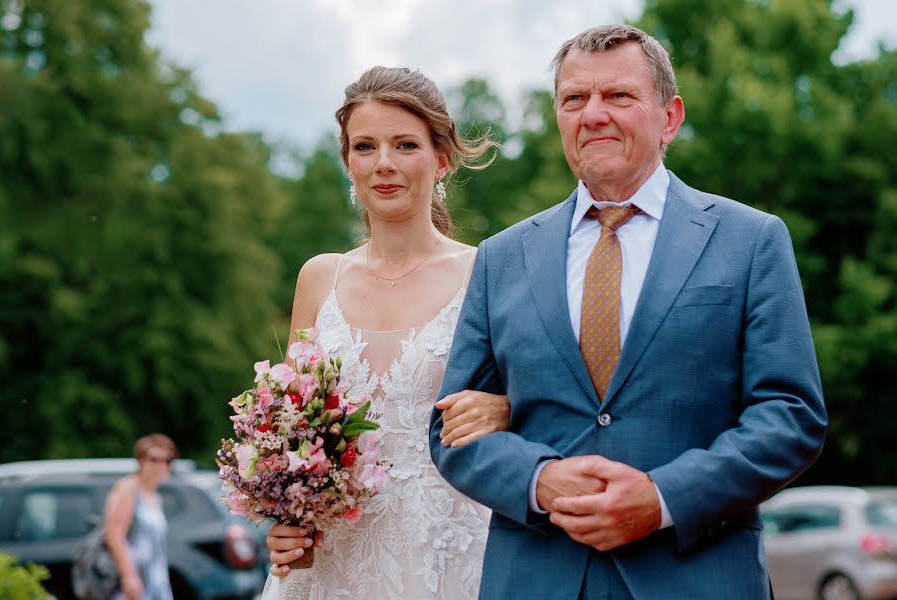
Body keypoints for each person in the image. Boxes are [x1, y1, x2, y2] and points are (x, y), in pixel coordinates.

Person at [429, 24, 827, 599]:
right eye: (574, 99)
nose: (593, 114)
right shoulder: (502, 257)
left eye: (618, 95)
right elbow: (452, 430)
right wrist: (541, 481)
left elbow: (792, 414)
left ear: (670, 117)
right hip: (538, 578)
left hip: (695, 575)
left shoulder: (751, 240)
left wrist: (663, 499)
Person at [261, 66, 510, 600]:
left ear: (441, 158)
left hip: (449, 553)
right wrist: (282, 518)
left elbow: (545, 401)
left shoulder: (488, 273)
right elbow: (293, 431)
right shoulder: (318, 277)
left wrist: (506, 408)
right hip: (330, 561)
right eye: (365, 147)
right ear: (348, 161)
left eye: (404, 144)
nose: (385, 165)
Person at [103, 434, 177, 600]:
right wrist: (129, 577)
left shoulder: (155, 496)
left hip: (155, 579)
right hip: (134, 579)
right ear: (141, 460)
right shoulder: (128, 488)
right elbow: (114, 535)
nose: (161, 465)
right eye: (154, 459)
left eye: (167, 460)